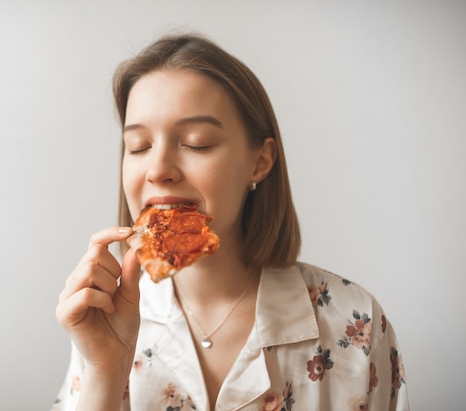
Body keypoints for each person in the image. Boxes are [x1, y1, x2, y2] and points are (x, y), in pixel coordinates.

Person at [52, 32, 409, 411]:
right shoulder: (106, 320)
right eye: (138, 146)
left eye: (196, 142)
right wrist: (105, 371)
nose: (157, 169)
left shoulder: (357, 323)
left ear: (260, 161)